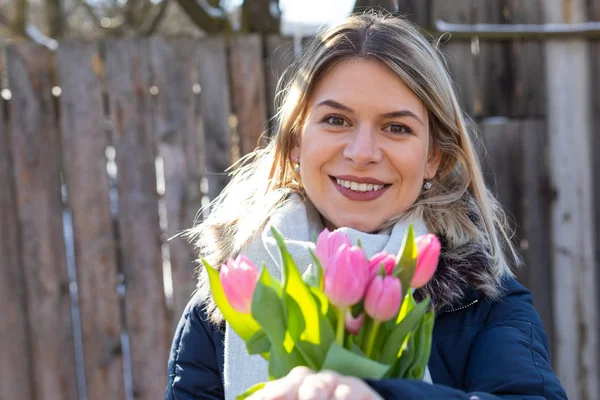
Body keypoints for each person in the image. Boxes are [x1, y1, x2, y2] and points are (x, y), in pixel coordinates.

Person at [165, 12, 567, 400]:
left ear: (434, 158)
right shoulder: (224, 307)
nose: (362, 153)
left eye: (397, 127)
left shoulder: (484, 305)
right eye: (336, 121)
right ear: (294, 144)